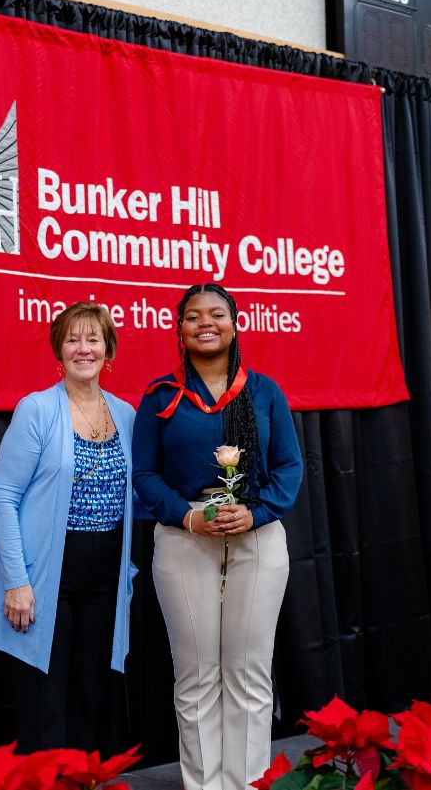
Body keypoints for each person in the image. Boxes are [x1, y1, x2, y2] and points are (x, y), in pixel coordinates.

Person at [132, 283, 304, 790]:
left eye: (216, 314)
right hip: (184, 536)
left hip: (257, 534)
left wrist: (256, 512)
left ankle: (249, 783)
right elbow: (143, 474)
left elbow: (289, 466)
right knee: (198, 675)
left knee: (249, 674)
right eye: (192, 316)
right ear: (180, 330)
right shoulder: (160, 395)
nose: (204, 323)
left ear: (234, 324)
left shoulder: (264, 391)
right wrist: (188, 518)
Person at [0, 302, 138, 752]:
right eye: (73, 340)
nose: (83, 349)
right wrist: (16, 580)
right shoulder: (37, 409)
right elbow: (3, 494)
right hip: (46, 572)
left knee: (89, 693)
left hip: (105, 573)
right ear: (58, 351)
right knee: (43, 700)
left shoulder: (125, 415)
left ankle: (82, 781)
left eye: (93, 340)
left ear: (109, 351)